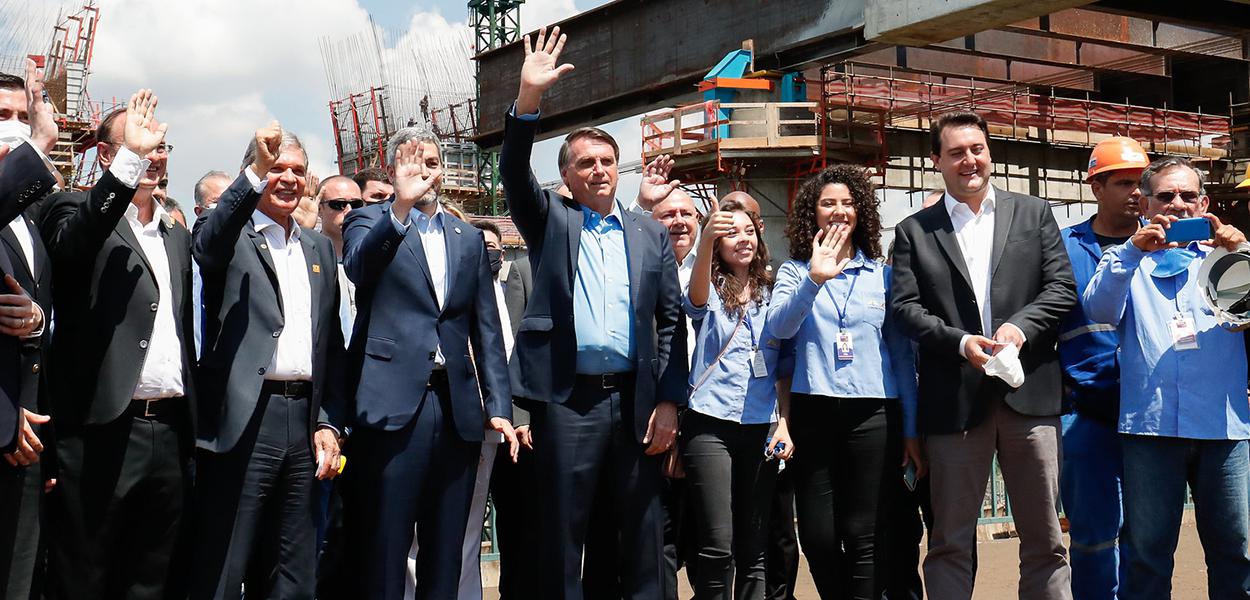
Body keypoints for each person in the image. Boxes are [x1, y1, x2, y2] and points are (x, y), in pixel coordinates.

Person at [500, 26, 687, 600]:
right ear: (568, 178)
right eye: (586, 163)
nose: (600, 170)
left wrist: (667, 401)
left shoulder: (649, 234)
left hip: (634, 403)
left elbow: (670, 321)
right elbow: (512, 172)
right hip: (569, 402)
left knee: (642, 537)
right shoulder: (553, 222)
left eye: (607, 160)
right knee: (561, 539)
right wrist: (529, 100)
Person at [890, 111, 1075, 599]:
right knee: (949, 541)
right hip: (955, 405)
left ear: (990, 153)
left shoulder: (1033, 213)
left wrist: (1020, 328)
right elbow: (904, 309)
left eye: (977, 149)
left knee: (1046, 539)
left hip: (1029, 396)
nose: (969, 160)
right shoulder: (914, 231)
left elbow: (1061, 289)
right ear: (937, 161)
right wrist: (960, 342)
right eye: (956, 153)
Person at [339, 127, 514, 600]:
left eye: (433, 161)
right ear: (396, 167)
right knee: (386, 544)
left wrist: (498, 403)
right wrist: (398, 206)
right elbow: (358, 268)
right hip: (393, 406)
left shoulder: (467, 237)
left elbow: (487, 330)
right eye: (415, 162)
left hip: (456, 409)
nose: (426, 171)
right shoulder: (370, 220)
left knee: (447, 546)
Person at [41, 91, 197, 600]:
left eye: (160, 145)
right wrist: (129, 162)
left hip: (169, 430)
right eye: (136, 145)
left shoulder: (176, 233)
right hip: (103, 429)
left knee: (149, 576)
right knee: (84, 575)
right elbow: (75, 243)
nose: (153, 152)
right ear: (107, 156)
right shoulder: (73, 209)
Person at [190, 122, 345, 600]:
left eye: (297, 170)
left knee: (292, 568)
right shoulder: (228, 233)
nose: (288, 178)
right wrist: (254, 171)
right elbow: (208, 244)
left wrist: (327, 421)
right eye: (276, 168)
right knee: (224, 562)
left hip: (302, 422)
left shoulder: (317, 247)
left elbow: (329, 345)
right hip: (245, 420)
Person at [1083, 156, 1250, 599]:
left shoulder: (1229, 259)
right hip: (1151, 430)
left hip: (1223, 429)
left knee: (1236, 552)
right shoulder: (1122, 259)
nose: (1177, 204)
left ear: (1206, 203)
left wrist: (1244, 254)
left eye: (1188, 195)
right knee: (1147, 555)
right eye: (1166, 195)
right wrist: (1135, 251)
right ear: (1145, 203)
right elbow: (1098, 310)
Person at [768, 165, 919, 598]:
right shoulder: (795, 272)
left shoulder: (882, 276)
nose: (839, 211)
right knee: (816, 535)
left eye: (848, 203)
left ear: (861, 212)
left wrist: (910, 429)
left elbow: (901, 356)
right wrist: (816, 278)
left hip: (875, 411)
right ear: (811, 214)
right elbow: (779, 328)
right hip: (812, 409)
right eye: (828, 203)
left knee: (864, 533)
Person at [682, 196, 790, 599]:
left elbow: (783, 362)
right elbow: (694, 302)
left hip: (760, 423)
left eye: (749, 231)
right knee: (717, 544)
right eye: (730, 234)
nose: (742, 239)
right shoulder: (709, 285)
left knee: (754, 546)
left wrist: (783, 421)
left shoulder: (775, 288)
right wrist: (705, 240)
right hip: (710, 422)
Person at [1058, 137, 1149, 599]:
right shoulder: (1063, 248)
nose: (1136, 192)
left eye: (1141, 182)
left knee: (1147, 537)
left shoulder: (1168, 241)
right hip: (1086, 410)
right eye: (1123, 183)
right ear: (1095, 186)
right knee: (1093, 536)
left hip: (1153, 414)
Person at [0, 59, 58, 600]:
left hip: (26, 435)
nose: (14, 125)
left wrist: (41, 319)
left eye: (22, 115)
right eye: (2, 114)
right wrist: (38, 144)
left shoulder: (31, 215)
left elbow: (47, 308)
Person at [316, 175, 363, 344]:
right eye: (339, 204)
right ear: (319, 209)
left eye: (357, 204)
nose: (349, 211)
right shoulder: (307, 256)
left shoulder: (372, 257)